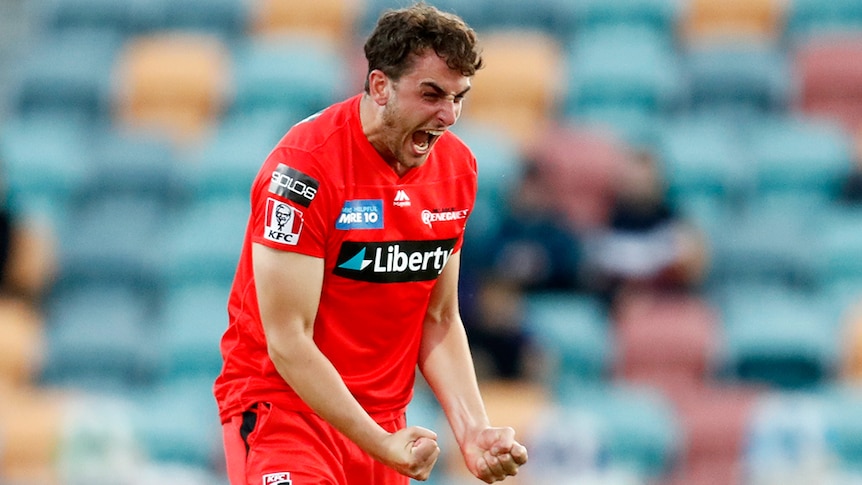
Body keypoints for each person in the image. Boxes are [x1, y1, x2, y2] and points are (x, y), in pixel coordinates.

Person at [213, 3, 528, 485]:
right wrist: (380, 443)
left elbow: (438, 318)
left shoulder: (457, 169)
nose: (448, 115)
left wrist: (472, 431)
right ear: (380, 86)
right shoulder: (303, 172)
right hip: (285, 413)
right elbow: (288, 339)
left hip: (385, 424)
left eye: (458, 97)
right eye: (431, 94)